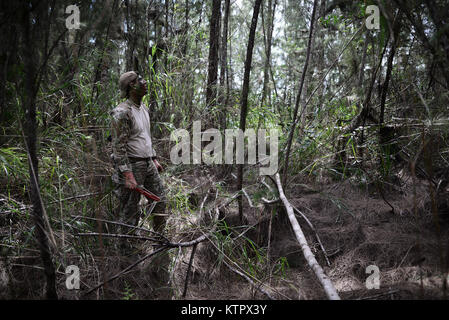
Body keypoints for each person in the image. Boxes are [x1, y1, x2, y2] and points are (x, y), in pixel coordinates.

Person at [110, 71, 167, 239]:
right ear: (131, 86)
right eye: (138, 80)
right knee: (129, 209)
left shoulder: (143, 109)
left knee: (160, 201)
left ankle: (160, 240)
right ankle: (126, 251)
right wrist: (127, 174)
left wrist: (153, 158)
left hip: (147, 163)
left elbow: (144, 136)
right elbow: (118, 146)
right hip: (132, 166)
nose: (144, 82)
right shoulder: (121, 112)